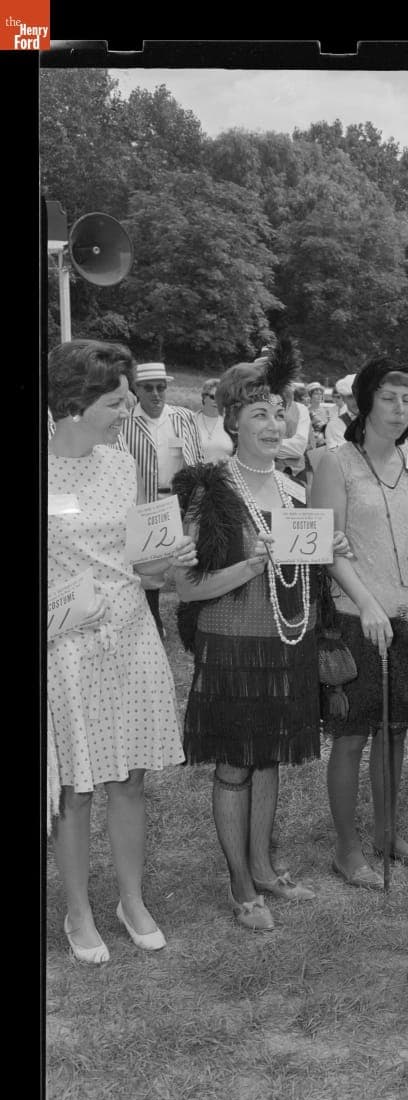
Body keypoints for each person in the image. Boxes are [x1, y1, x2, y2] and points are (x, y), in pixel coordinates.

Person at [173, 349, 334, 930]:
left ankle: (264, 867)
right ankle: (240, 885)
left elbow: (303, 574)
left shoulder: (295, 491)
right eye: (258, 414)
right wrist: (250, 566)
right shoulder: (208, 489)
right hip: (233, 646)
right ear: (231, 421)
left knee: (270, 760)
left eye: (278, 413)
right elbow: (184, 586)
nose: (272, 424)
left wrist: (326, 552)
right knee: (236, 767)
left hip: (288, 644)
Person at [47, 340, 196, 963]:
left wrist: (171, 559)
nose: (129, 407)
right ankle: (77, 910)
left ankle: (129, 899)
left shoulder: (118, 465)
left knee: (129, 778)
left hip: (132, 633)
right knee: (76, 787)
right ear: (75, 405)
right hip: (69, 645)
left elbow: (142, 558)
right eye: (116, 399)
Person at [310, 358, 408, 890]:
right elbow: (326, 546)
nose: (400, 408)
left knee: (395, 733)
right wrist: (365, 603)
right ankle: (347, 850)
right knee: (351, 736)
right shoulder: (334, 464)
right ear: (364, 403)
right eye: (389, 397)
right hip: (355, 617)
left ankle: (389, 835)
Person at [117, 361, 203, 637]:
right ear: (136, 390)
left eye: (161, 388)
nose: (156, 394)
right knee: (150, 567)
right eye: (148, 388)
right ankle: (153, 619)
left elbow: (198, 458)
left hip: (182, 502)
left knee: (190, 560)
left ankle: (194, 618)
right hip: (147, 504)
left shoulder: (184, 417)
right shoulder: (125, 421)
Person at [192, 377, 234, 463]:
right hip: (196, 474)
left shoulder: (231, 425)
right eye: (213, 397)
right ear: (204, 397)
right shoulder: (189, 422)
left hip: (225, 474)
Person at [323, 374, 359, 449]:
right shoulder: (335, 425)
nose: (357, 401)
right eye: (351, 397)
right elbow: (346, 457)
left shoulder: (378, 420)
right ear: (343, 398)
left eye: (359, 396)